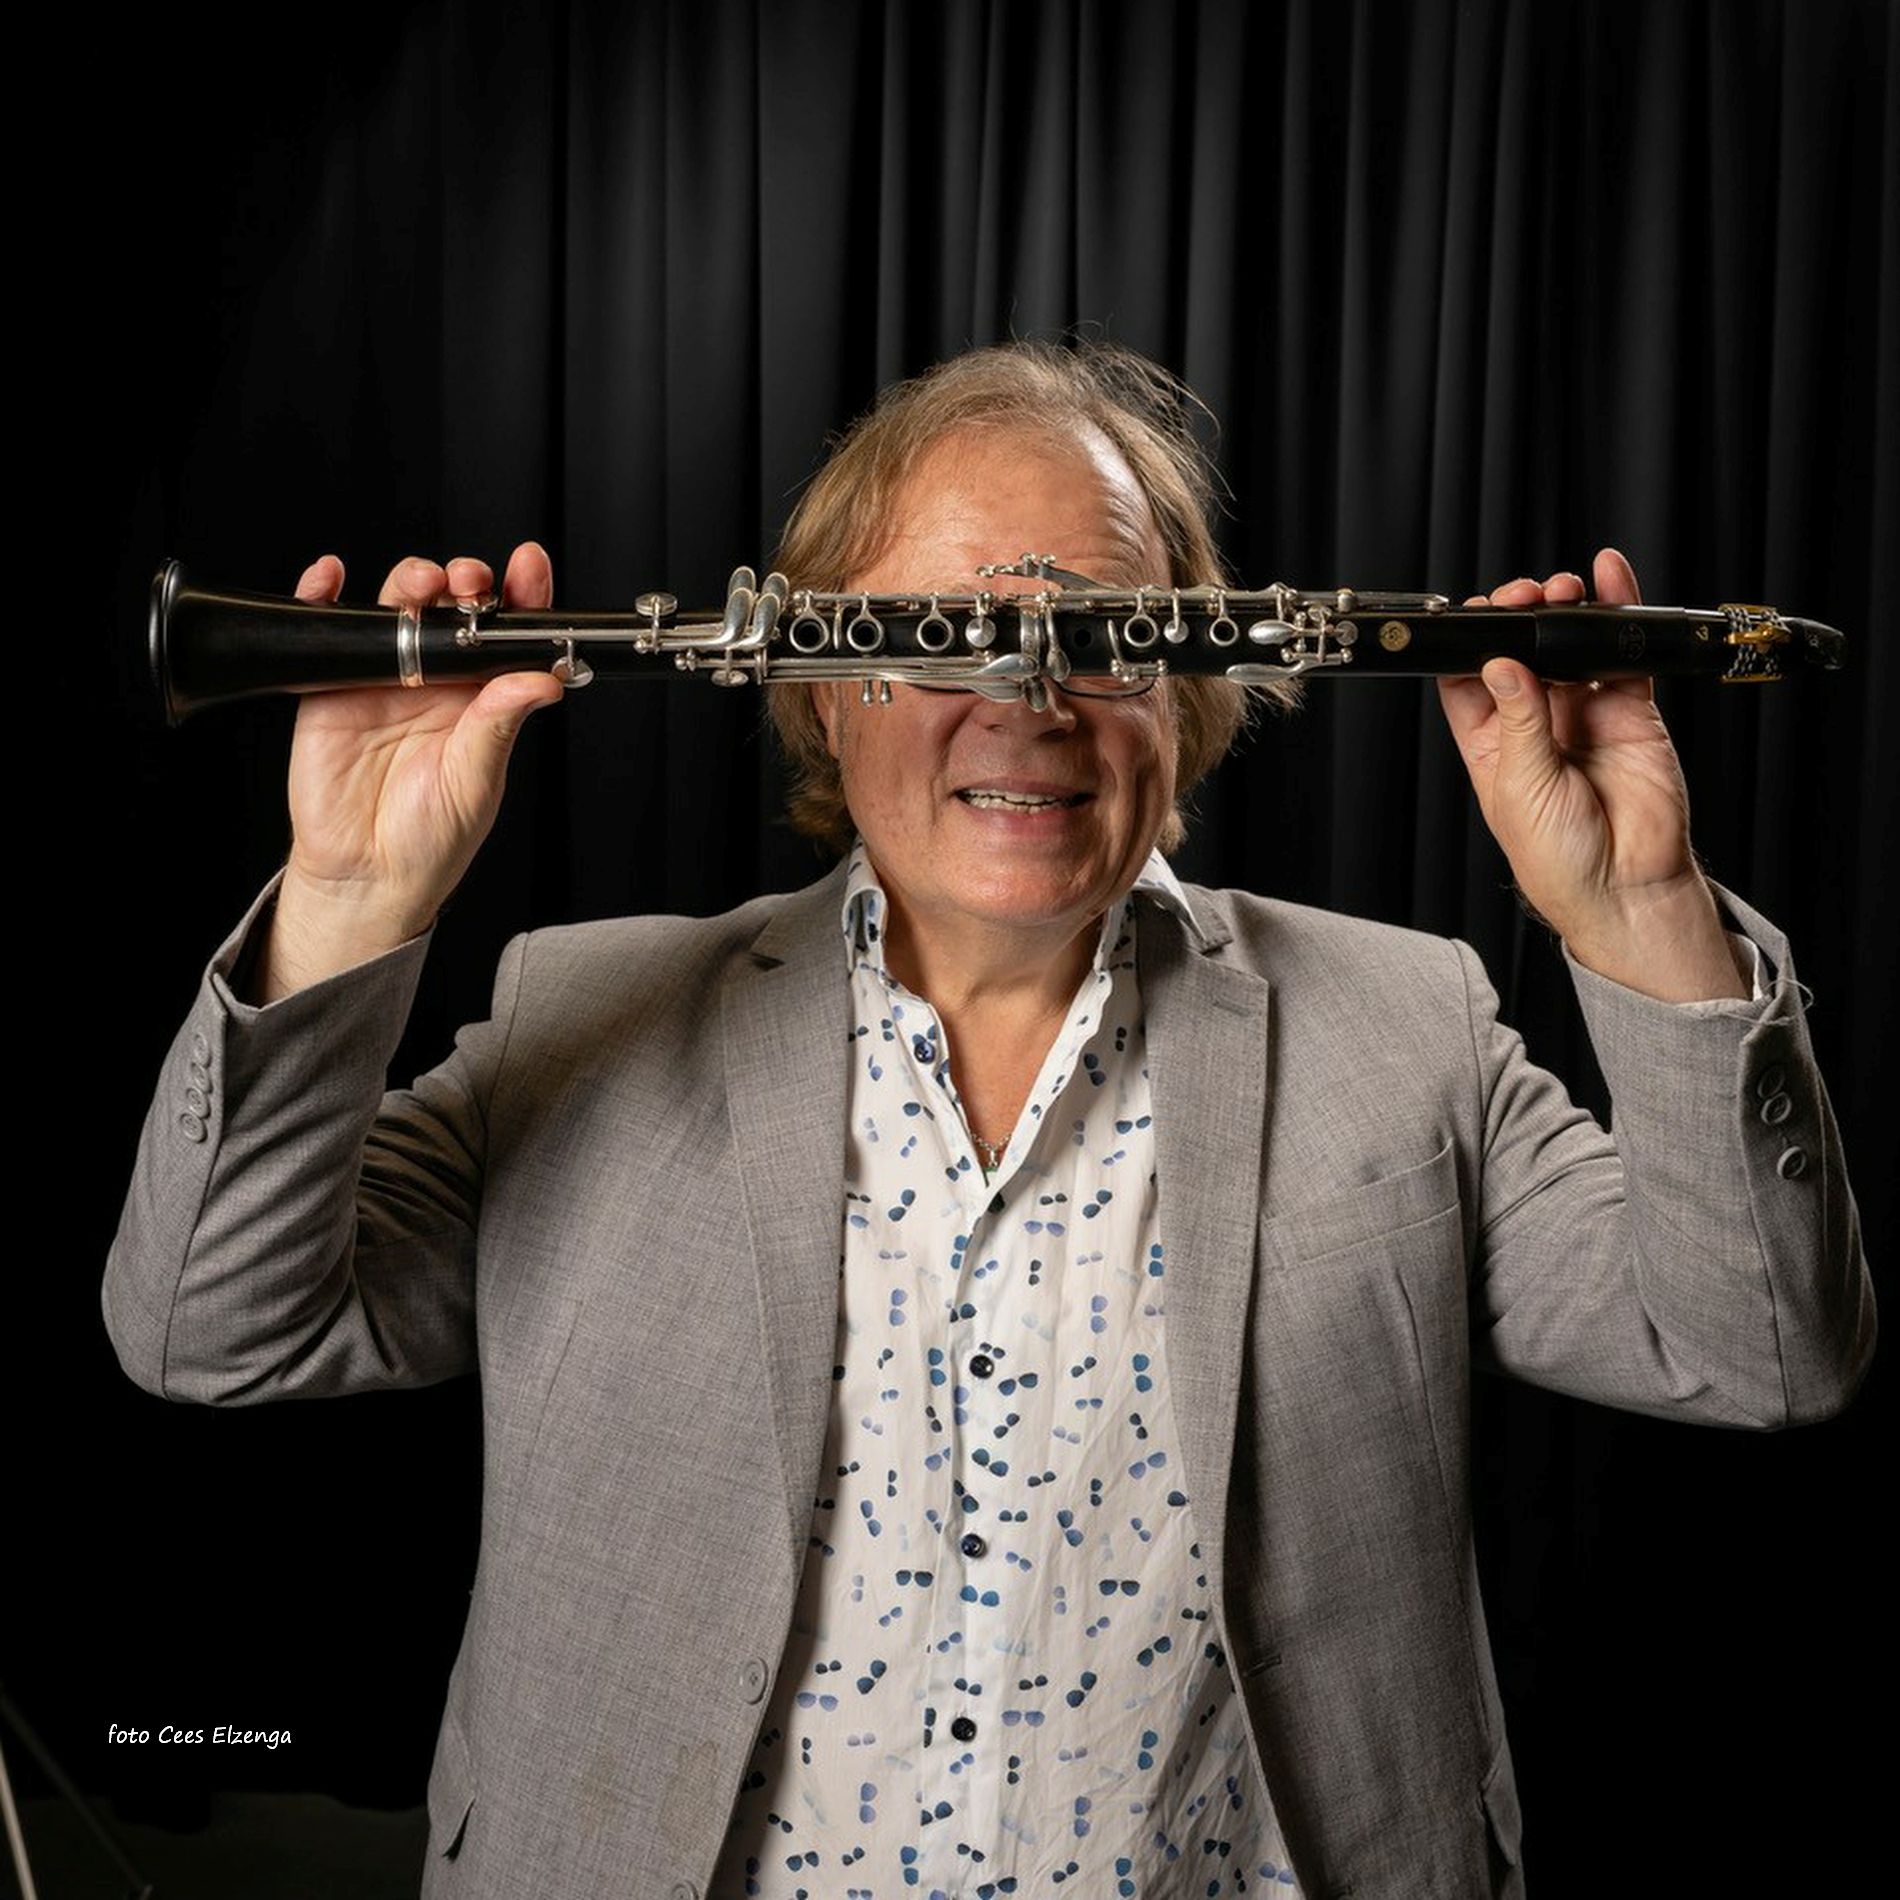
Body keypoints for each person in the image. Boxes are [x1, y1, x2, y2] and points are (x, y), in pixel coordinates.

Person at [105, 342, 1872, 1900]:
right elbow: (207, 1330)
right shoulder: (577, 1020)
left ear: (1190, 684)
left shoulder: (1410, 1031)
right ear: (817, 676)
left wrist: (1639, 908)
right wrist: (348, 894)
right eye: (935, 634)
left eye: (1099, 639)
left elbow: (1764, 1353)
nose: (1023, 703)